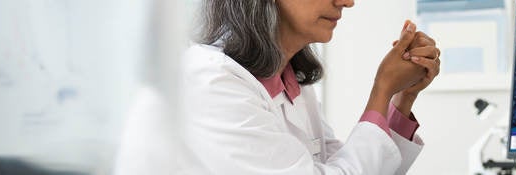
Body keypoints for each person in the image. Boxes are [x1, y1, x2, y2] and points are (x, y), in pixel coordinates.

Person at [133, 0, 440, 174]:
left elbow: (357, 167)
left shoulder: (289, 83)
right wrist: (381, 90)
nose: (347, 1)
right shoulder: (209, 81)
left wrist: (402, 99)